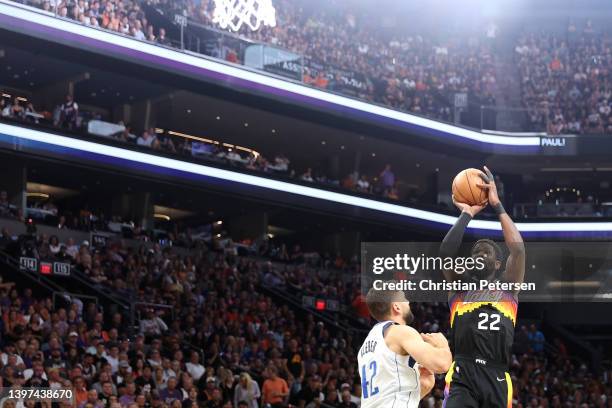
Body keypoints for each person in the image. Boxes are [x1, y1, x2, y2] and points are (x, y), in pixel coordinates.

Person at [439, 166, 525, 408]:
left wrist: (497, 206)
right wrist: (467, 213)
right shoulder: (459, 287)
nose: (480, 253)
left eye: (486, 251)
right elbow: (445, 252)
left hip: (497, 376)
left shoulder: (509, 289)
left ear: (498, 264)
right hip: (463, 372)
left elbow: (518, 250)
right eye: (476, 251)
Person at [357, 286, 452, 408]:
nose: (408, 302)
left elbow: (388, 395)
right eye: (404, 298)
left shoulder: (367, 345)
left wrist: (424, 386)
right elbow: (442, 364)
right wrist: (443, 344)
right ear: (396, 306)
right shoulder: (400, 331)